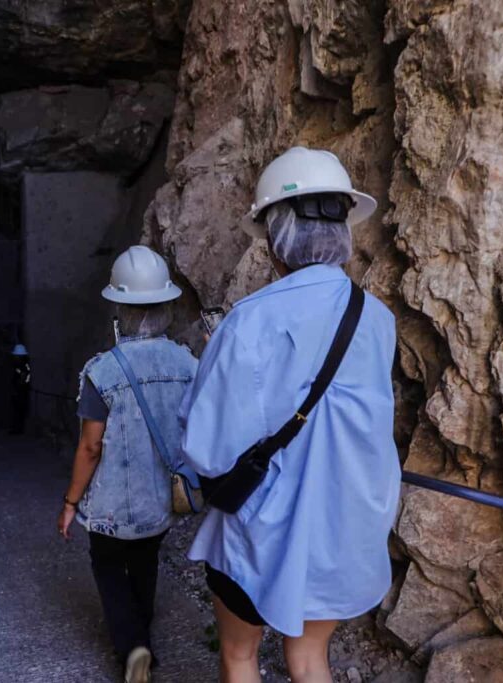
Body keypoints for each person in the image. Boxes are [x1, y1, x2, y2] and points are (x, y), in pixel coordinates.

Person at [180, 147, 401, 683]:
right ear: (343, 229)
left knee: (239, 656)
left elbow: (209, 448)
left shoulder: (249, 320)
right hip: (342, 524)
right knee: (309, 660)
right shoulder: (375, 318)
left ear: (275, 238)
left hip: (265, 527)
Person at [57, 245, 198, 683]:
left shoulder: (102, 371)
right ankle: (143, 637)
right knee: (145, 561)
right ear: (167, 307)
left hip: (111, 506)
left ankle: (133, 646)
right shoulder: (188, 363)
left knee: (106, 565)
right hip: (159, 497)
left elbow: (90, 448)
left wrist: (69, 502)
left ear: (119, 310)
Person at [7, 343, 31, 434]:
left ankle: (18, 430)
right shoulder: (21, 366)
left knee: (19, 411)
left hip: (21, 392)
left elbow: (23, 378)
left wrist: (18, 389)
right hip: (20, 391)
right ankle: (16, 429)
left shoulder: (23, 367)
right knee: (17, 411)